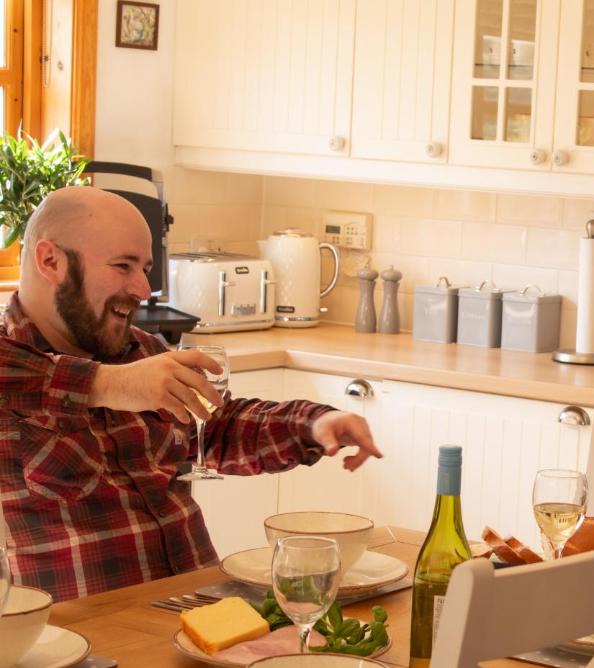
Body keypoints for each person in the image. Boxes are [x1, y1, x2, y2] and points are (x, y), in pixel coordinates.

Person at [0, 186, 383, 602]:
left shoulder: (140, 350)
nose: (143, 289)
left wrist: (313, 423)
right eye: (123, 266)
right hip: (84, 638)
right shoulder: (12, 357)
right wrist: (111, 384)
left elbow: (213, 427)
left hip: (197, 609)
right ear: (50, 260)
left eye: (144, 268)